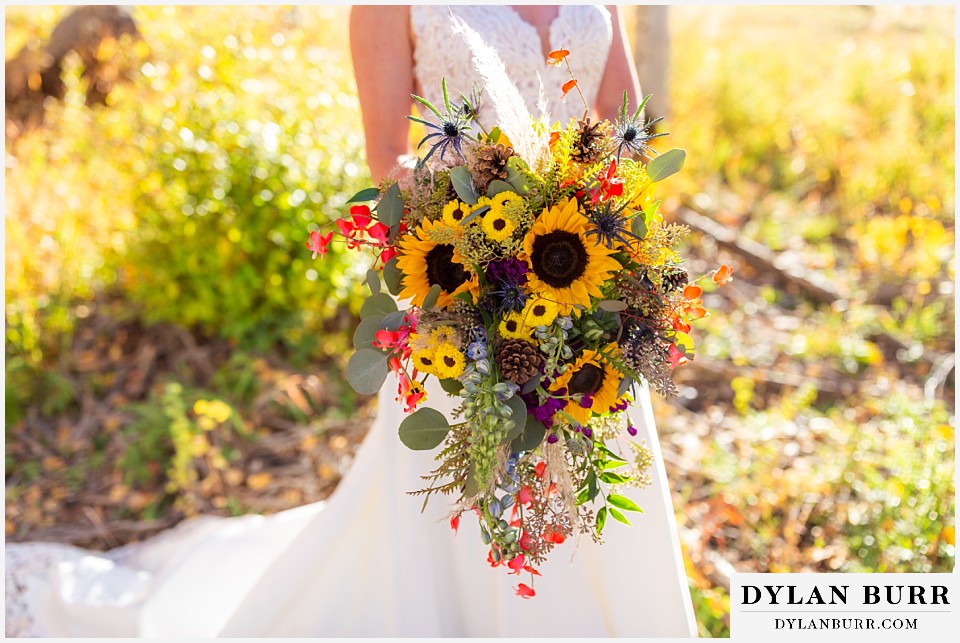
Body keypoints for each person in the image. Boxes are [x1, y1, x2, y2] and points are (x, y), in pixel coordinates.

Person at [5, 5, 696, 637]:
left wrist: (619, 247)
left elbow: (620, 116)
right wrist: (488, 245)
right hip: (461, 280)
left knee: (595, 469)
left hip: (588, 272)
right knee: (463, 489)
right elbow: (387, 155)